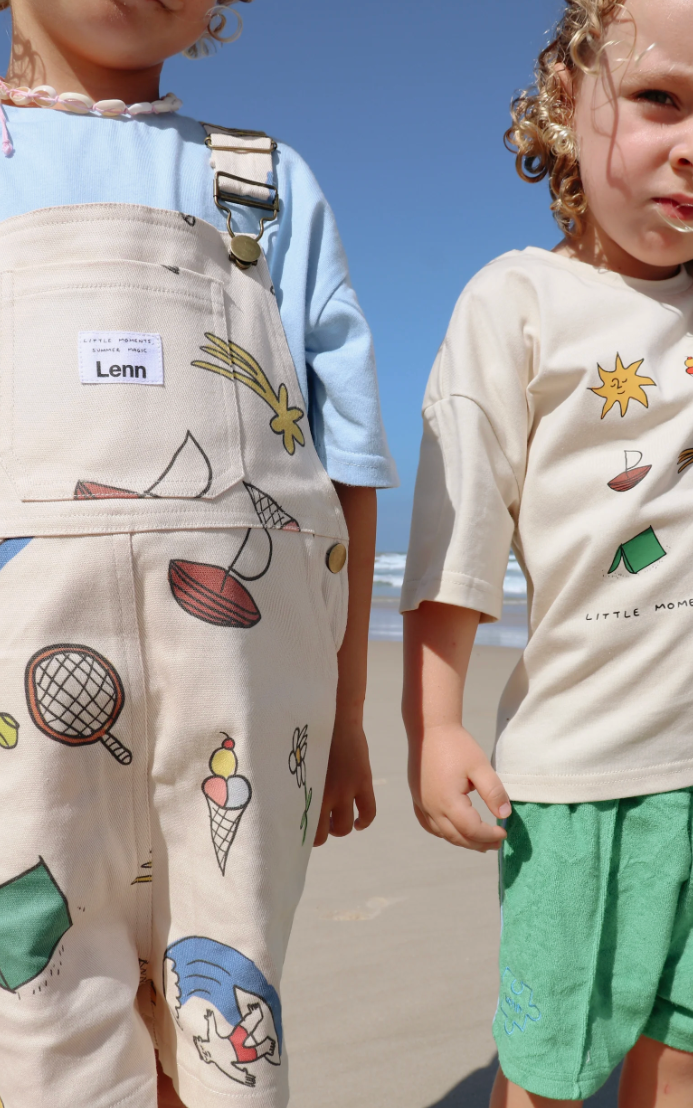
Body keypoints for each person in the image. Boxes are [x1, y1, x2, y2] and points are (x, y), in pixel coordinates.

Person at [401, 1, 693, 1105]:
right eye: (661, 98)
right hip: (577, 788)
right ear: (568, 98)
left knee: (691, 1049)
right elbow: (459, 526)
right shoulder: (520, 302)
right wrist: (433, 722)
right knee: (552, 1070)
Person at [0, 2, 396, 1106]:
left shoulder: (261, 182)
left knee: (227, 1014)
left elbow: (348, 462)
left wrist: (348, 715)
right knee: (36, 1017)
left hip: (244, 691)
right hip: (16, 682)